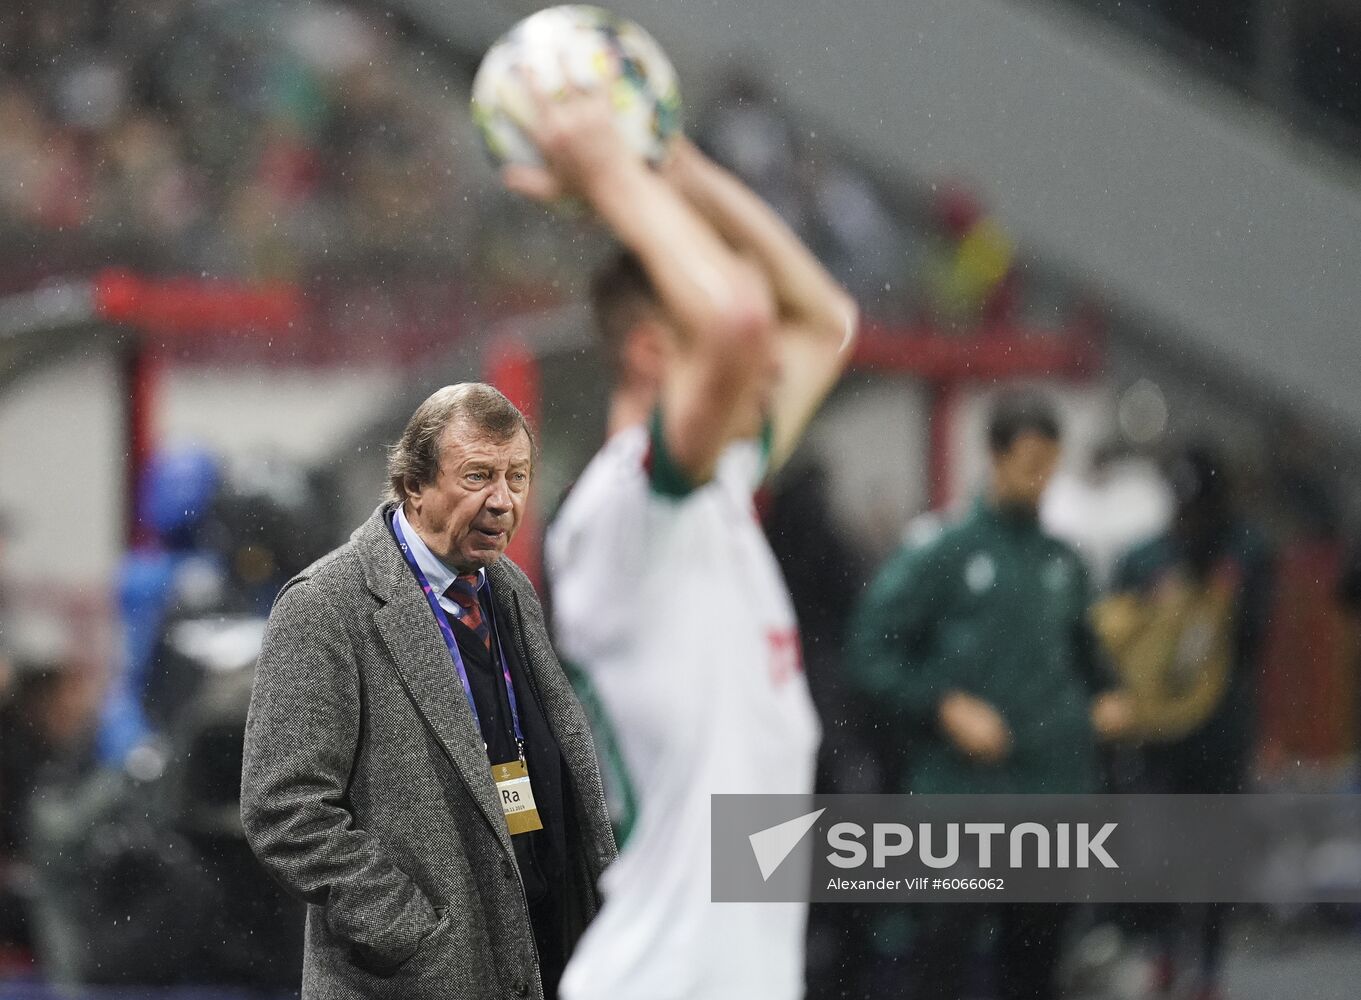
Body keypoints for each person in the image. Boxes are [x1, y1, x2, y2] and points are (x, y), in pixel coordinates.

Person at [507, 78, 856, 1000]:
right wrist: (610, 174)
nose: (771, 361)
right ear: (653, 353)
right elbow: (740, 325)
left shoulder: (716, 491)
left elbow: (825, 322)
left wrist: (677, 167)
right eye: (740, 351)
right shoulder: (623, 512)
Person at [240, 383, 616, 1000]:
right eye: (478, 477)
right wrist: (414, 933)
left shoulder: (510, 590)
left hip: (545, 959)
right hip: (417, 979)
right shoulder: (325, 606)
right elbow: (285, 810)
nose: (503, 502)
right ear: (413, 484)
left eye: (517, 477)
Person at [848, 390, 1131, 1000]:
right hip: (962, 796)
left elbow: (1091, 663)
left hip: (1052, 796)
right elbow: (871, 651)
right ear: (995, 457)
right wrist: (943, 704)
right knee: (941, 964)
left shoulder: (1064, 563)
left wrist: (1110, 699)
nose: (1040, 480)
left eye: (1050, 466)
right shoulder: (942, 551)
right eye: (1029, 464)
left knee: (1036, 970)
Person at [1109, 445, 1273, 1000]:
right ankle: (1162, 952)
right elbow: (1116, 637)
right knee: (1158, 846)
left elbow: (1254, 639)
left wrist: (1221, 598)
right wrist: (1158, 607)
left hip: (1220, 729)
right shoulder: (1146, 558)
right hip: (1161, 731)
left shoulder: (1246, 552)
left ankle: (1208, 965)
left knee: (1216, 848)